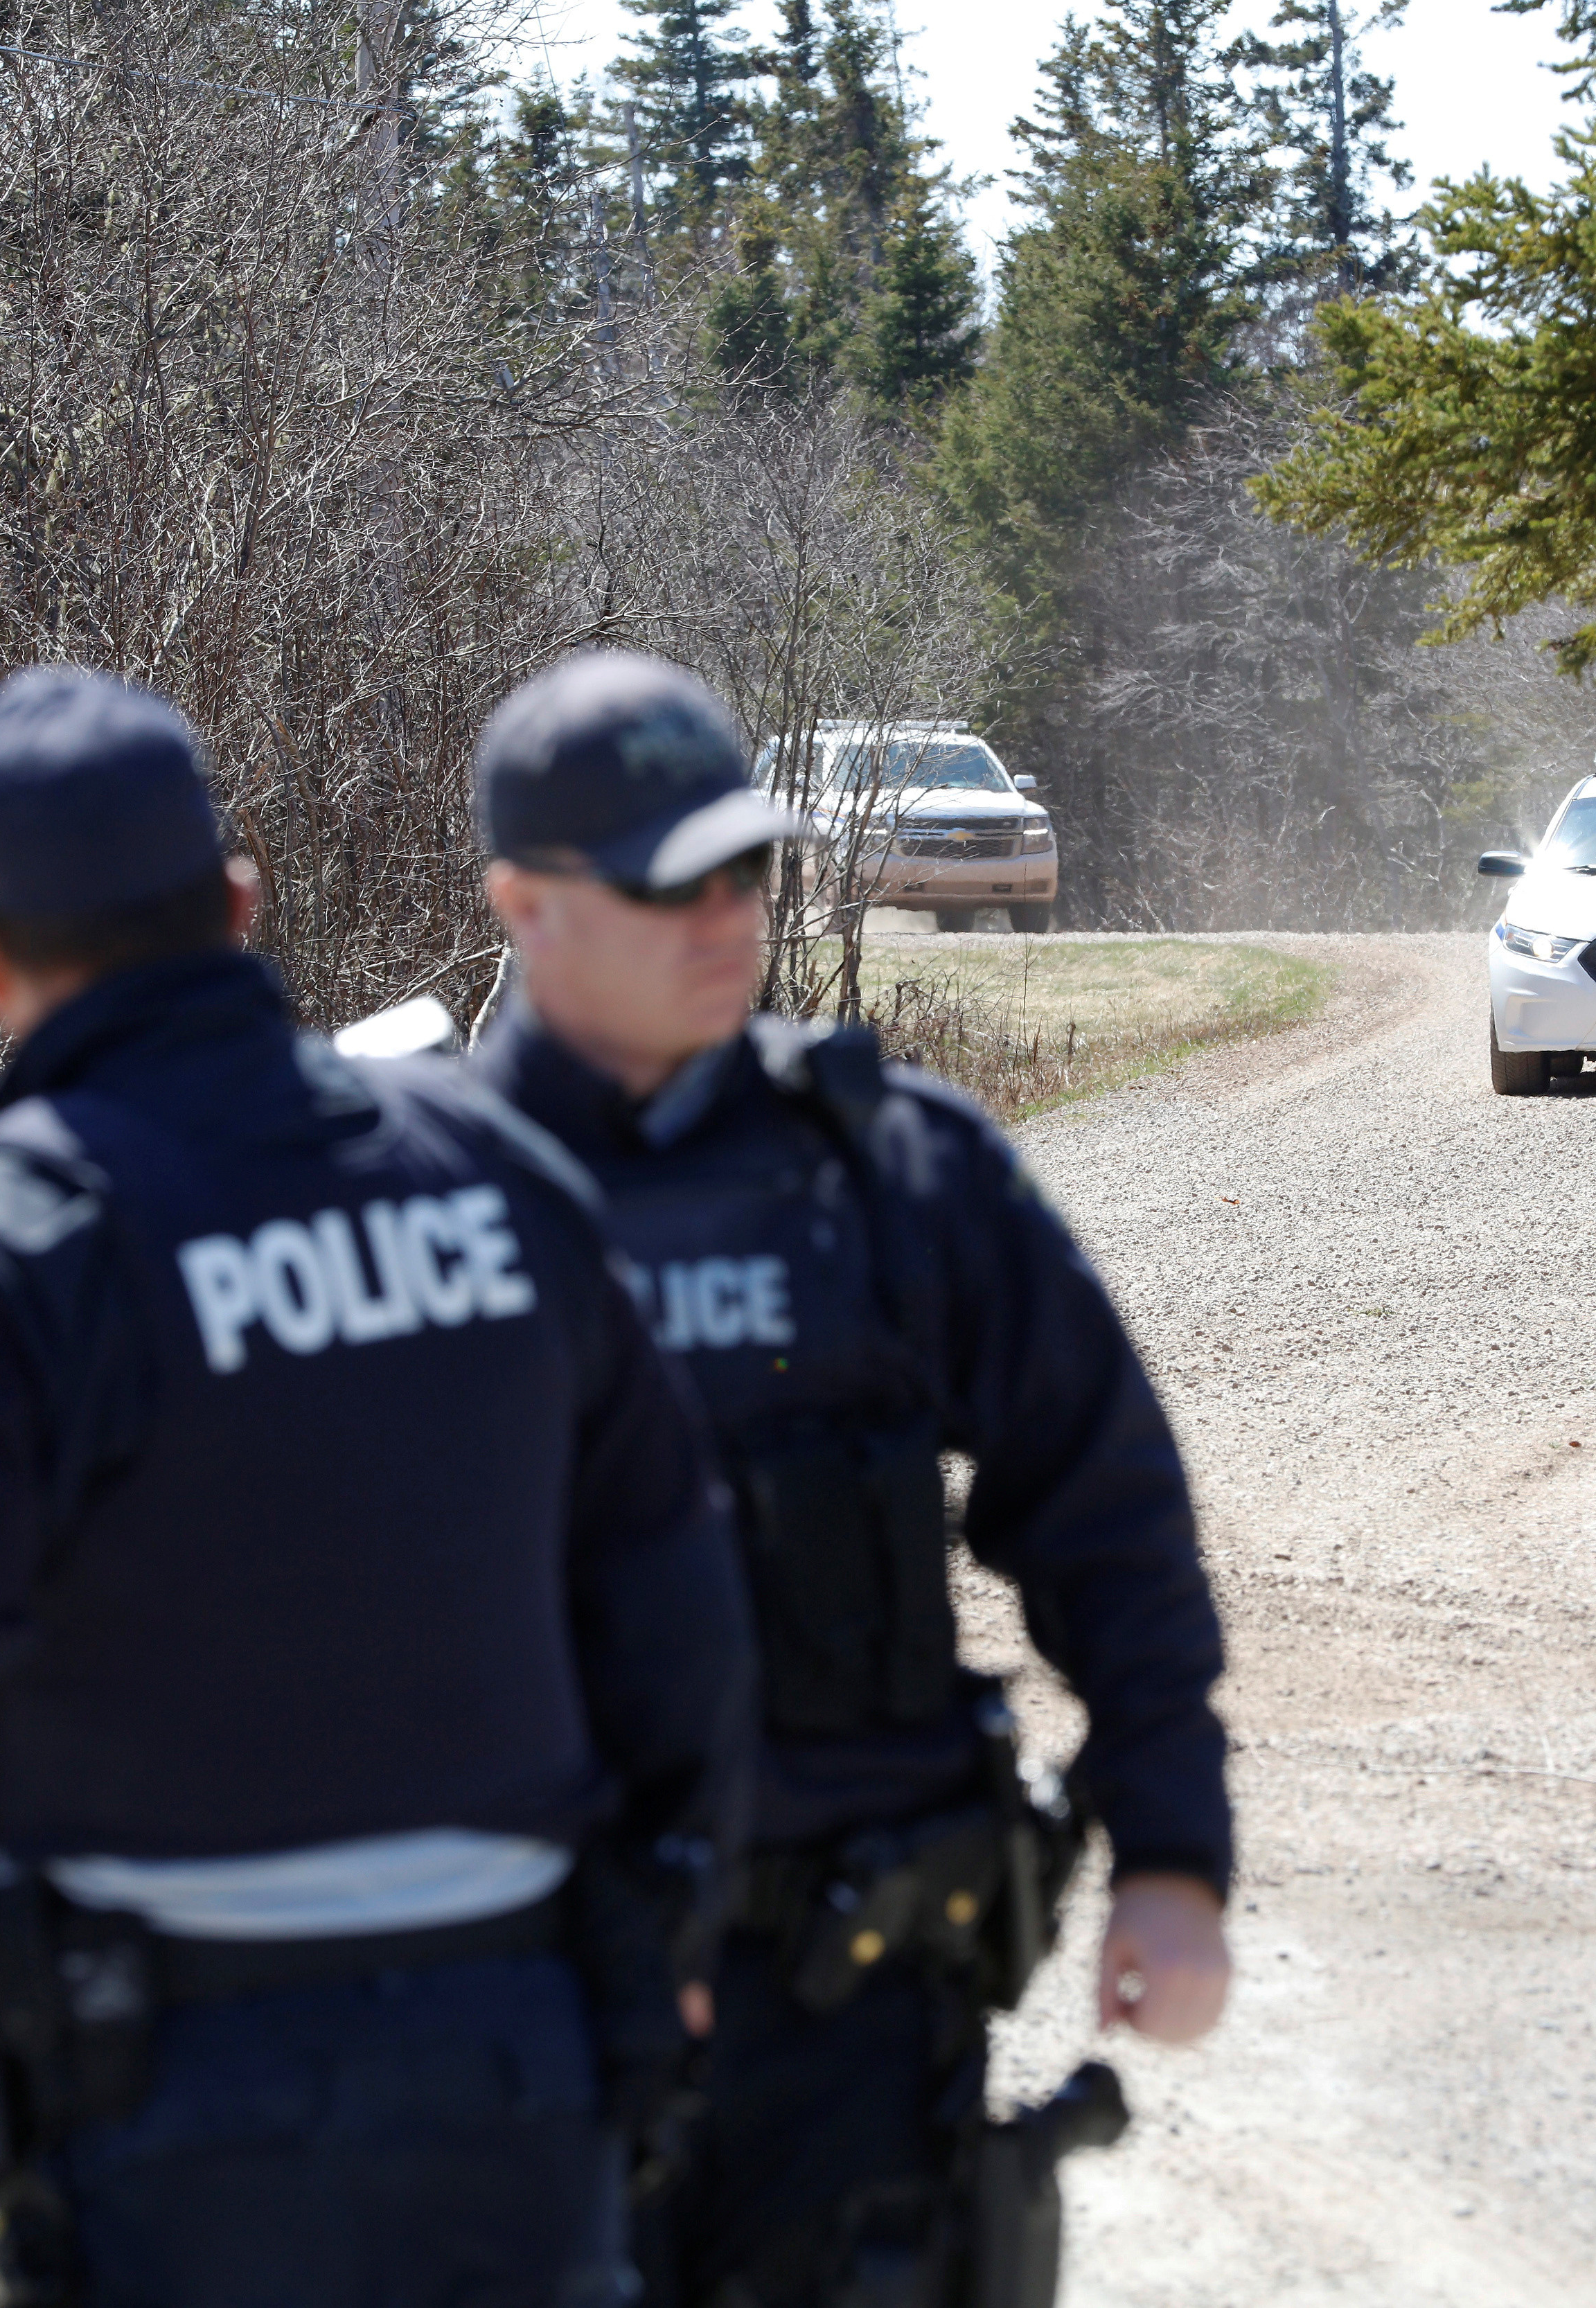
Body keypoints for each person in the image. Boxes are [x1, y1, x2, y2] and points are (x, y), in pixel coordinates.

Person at [0, 666, 754, 2308]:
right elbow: (677, 1590)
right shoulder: (488, 1170)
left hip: (175, 2076)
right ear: (240, 901)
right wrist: (676, 1924)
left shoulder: (17, 1231)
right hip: (523, 2061)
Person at [461, 653, 1234, 2308]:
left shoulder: (894, 1172)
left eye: (745, 864)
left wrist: (1173, 1859)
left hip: (854, 2011)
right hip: (511, 2014)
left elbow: (1109, 1519)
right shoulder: (410, 1205)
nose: (727, 913)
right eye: (670, 881)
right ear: (522, 903)